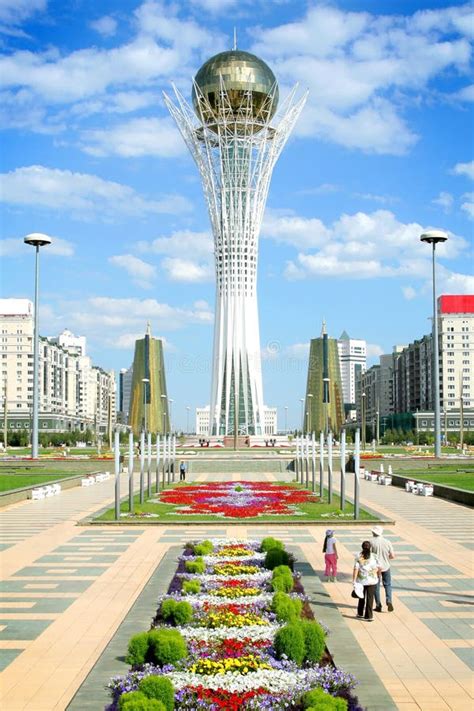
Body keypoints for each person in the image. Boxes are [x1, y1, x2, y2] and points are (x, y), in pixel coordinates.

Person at [352, 540, 381, 621]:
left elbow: (355, 569)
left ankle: (360, 613)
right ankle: (369, 616)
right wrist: (378, 575)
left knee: (361, 596)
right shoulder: (374, 556)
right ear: (370, 547)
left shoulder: (358, 556)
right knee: (370, 598)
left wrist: (354, 580)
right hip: (372, 580)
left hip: (361, 580)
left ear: (362, 547)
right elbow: (378, 568)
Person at [371, 526, 395, 612]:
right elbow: (392, 556)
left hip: (375, 568)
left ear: (373, 533)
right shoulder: (387, 542)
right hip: (386, 566)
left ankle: (378, 605)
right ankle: (389, 600)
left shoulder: (371, 542)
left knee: (376, 586)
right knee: (387, 584)